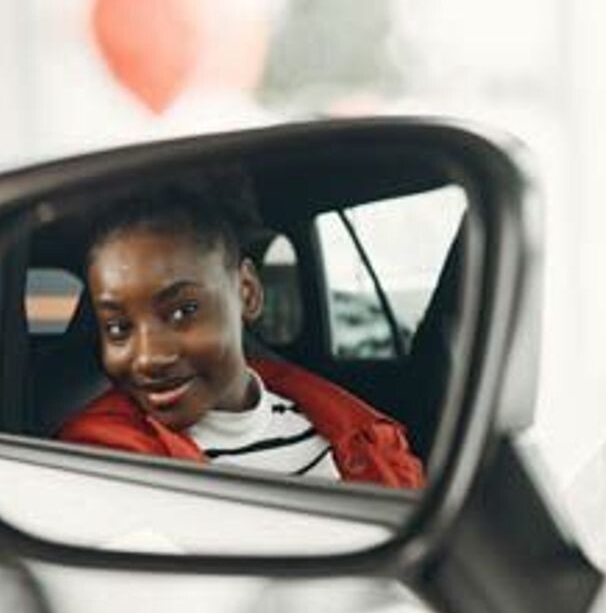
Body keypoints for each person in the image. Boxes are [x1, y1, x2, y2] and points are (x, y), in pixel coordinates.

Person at [57, 184, 424, 489]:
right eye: (118, 328)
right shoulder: (100, 459)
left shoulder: (365, 438)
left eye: (183, 311)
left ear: (247, 293)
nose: (149, 356)